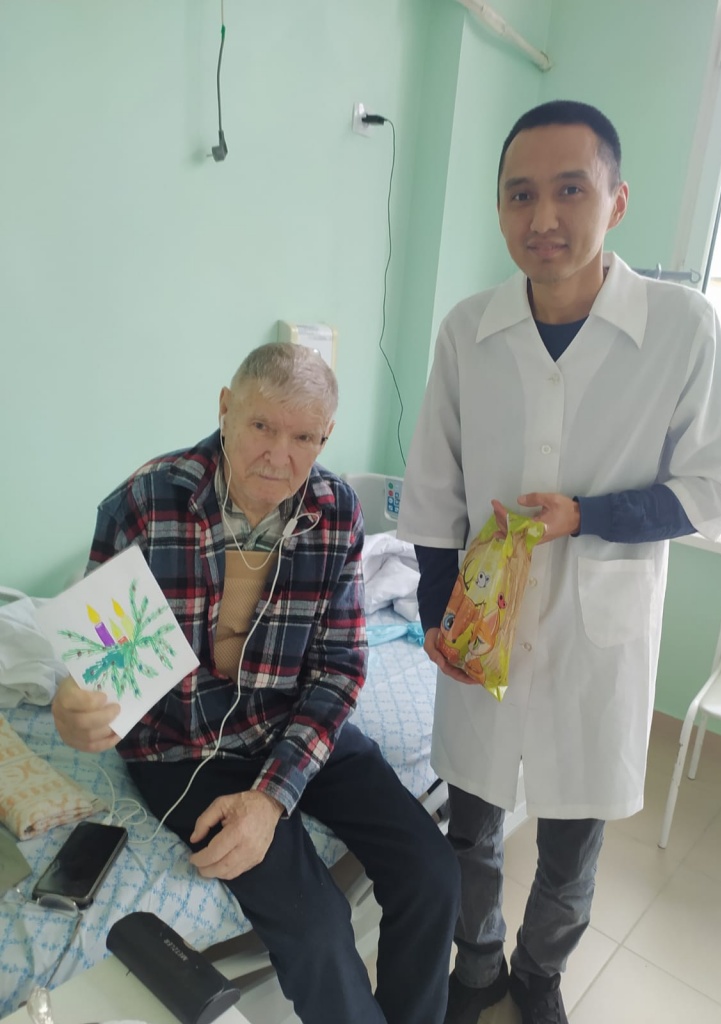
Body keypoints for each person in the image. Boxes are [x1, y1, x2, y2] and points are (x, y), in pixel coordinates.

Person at [396, 100, 721, 1024]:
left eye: (570, 190)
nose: (542, 217)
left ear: (616, 201)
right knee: (471, 828)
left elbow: (713, 486)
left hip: (600, 637)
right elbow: (431, 489)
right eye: (520, 194)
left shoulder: (681, 327)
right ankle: (477, 968)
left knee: (570, 843)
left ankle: (540, 974)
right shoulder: (467, 330)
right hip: (483, 628)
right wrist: (436, 613)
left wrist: (588, 516)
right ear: (499, 208)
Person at [52, 341, 459, 1024]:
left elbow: (340, 667)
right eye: (262, 426)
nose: (278, 455)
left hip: (294, 723)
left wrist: (272, 796)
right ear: (225, 409)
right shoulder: (145, 504)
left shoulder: (335, 512)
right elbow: (97, 664)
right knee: (317, 928)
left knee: (434, 873)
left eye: (303, 437)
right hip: (182, 744)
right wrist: (76, 706)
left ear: (325, 437)